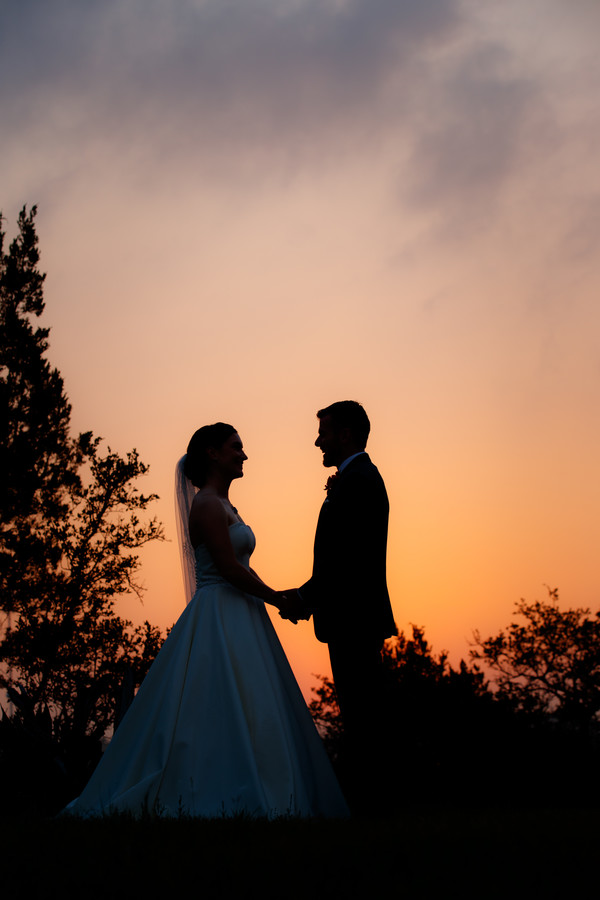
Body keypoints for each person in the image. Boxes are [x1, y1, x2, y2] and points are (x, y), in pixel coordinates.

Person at [65, 423, 348, 818]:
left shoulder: (228, 506)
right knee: (217, 699)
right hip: (219, 610)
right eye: (236, 447)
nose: (244, 455)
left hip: (242, 612)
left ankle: (271, 788)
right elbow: (230, 568)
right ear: (212, 453)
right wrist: (277, 597)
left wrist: (271, 598)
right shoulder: (207, 505)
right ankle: (217, 789)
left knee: (255, 702)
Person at [281, 402, 397, 807]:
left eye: (324, 433)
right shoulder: (353, 478)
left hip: (355, 618)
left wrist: (303, 598)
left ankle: (373, 806)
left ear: (345, 434)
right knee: (360, 714)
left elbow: (345, 560)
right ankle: (370, 804)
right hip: (351, 617)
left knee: (364, 717)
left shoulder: (360, 481)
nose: (318, 441)